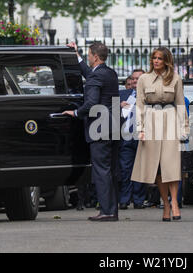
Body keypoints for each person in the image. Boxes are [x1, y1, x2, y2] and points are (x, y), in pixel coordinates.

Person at [131, 47, 189, 221]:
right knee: (157, 168)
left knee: (171, 165)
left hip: (171, 120)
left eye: (160, 58)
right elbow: (139, 105)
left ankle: (175, 203)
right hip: (150, 122)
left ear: (166, 61)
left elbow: (180, 104)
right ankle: (165, 204)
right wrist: (140, 128)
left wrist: (185, 129)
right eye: (154, 58)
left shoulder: (176, 79)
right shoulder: (143, 79)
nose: (156, 61)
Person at [64, 41, 120, 222]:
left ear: (95, 57)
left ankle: (106, 211)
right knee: (111, 170)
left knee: (101, 170)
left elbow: (91, 103)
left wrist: (75, 112)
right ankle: (112, 210)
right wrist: (77, 55)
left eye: (88, 55)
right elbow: (90, 75)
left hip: (99, 128)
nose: (88, 57)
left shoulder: (97, 77)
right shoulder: (109, 73)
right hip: (113, 126)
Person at [118, 69, 146, 210]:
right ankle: (124, 200)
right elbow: (108, 111)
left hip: (142, 138)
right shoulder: (122, 94)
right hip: (125, 137)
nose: (135, 81)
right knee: (125, 170)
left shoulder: (150, 96)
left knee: (140, 170)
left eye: (138, 79)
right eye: (133, 79)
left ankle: (139, 200)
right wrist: (118, 106)